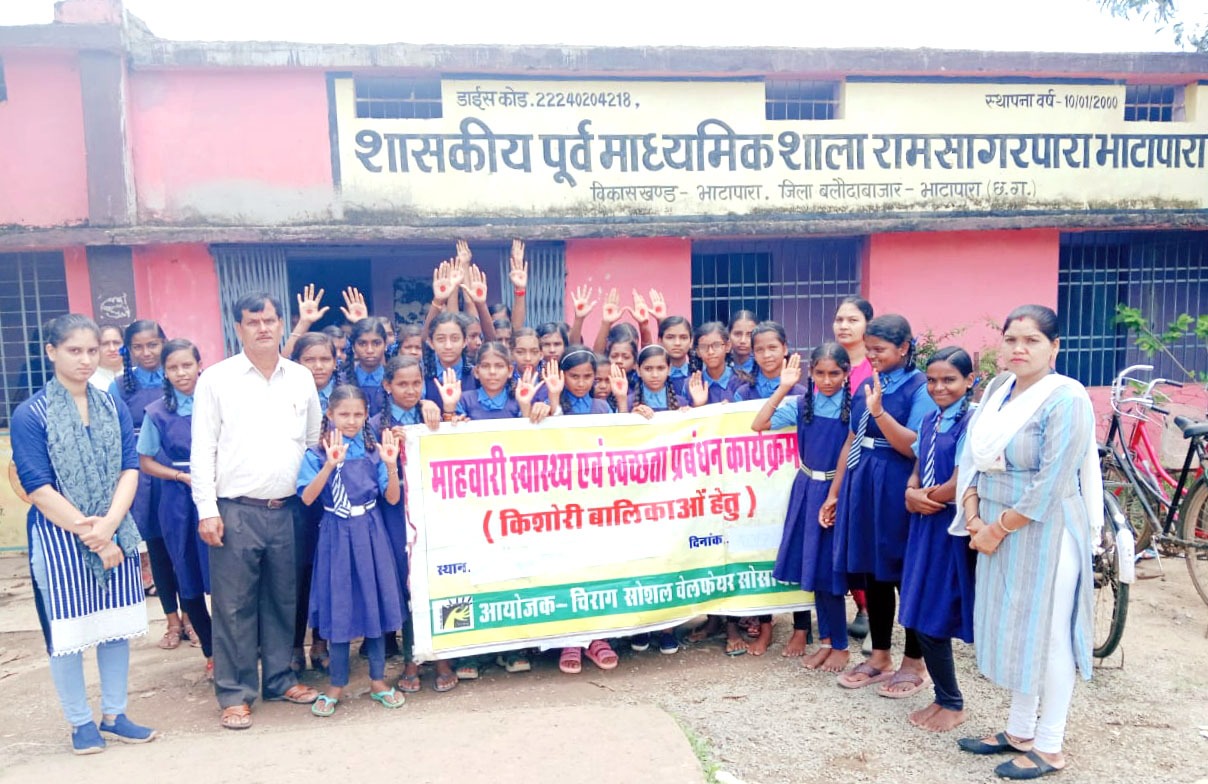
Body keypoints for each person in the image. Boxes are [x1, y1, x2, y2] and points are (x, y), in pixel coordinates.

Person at [953, 305, 1100, 780]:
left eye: (1032, 340)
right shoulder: (1000, 388)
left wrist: (996, 529)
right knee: (1017, 626)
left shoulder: (1066, 399)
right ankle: (1020, 731)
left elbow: (1052, 482)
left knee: (1049, 634)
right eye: (1012, 339)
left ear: (1054, 347)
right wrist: (974, 516)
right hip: (992, 525)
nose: (1019, 348)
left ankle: (1050, 746)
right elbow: (973, 456)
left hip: (1045, 529)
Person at [11, 314, 157, 754]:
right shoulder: (31, 413)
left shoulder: (111, 404)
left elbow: (129, 467)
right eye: (74, 350)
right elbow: (38, 487)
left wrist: (110, 525)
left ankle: (115, 714)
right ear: (51, 352)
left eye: (92, 350)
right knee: (67, 633)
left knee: (114, 626)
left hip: (115, 528)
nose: (86, 359)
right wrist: (95, 533)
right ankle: (80, 724)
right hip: (58, 537)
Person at [191, 292, 322, 730]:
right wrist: (207, 509)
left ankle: (280, 678)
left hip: (287, 509)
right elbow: (202, 448)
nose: (263, 328)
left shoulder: (300, 378)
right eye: (253, 322)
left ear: (282, 324)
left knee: (283, 599)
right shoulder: (217, 379)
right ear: (238, 328)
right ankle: (235, 692)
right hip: (235, 511)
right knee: (234, 606)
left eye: (269, 320)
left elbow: (312, 440)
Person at [828, 314, 936, 695]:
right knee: (873, 571)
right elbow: (852, 439)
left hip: (898, 483)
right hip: (864, 482)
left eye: (880, 349)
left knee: (905, 572)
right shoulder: (868, 383)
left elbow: (914, 445)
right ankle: (880, 656)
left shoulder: (920, 387)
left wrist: (879, 411)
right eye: (868, 349)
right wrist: (836, 492)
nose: (871, 356)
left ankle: (915, 661)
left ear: (904, 348)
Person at [300, 385, 407, 716]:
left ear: (366, 415)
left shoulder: (375, 451)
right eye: (344, 414)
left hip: (370, 530)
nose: (351, 421)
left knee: (373, 602)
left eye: (358, 414)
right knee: (340, 604)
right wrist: (329, 466)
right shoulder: (316, 453)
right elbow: (307, 497)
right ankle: (336, 683)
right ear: (329, 414)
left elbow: (392, 498)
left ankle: (378, 679)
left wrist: (391, 466)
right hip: (336, 533)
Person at [753, 345, 852, 667]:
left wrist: (834, 496)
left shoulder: (854, 407)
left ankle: (841, 645)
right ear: (811, 373)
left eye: (834, 373)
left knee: (831, 571)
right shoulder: (802, 404)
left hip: (837, 492)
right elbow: (759, 423)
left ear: (846, 373)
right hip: (807, 489)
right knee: (815, 567)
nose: (827, 380)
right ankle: (825, 641)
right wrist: (784, 387)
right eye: (820, 373)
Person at [899, 347, 977, 733]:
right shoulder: (931, 419)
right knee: (916, 609)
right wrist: (911, 491)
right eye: (931, 380)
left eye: (949, 380)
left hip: (949, 526)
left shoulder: (972, 422)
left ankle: (953, 702)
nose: (938, 387)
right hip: (923, 525)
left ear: (969, 381)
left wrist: (922, 498)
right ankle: (942, 696)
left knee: (934, 614)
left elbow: (961, 481)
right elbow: (919, 465)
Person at [136, 339, 214, 680]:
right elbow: (146, 462)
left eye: (187, 365)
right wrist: (181, 476)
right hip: (178, 500)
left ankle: (236, 648)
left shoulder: (216, 403)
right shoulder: (157, 412)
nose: (181, 373)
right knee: (187, 573)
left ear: (199, 365)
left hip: (219, 494)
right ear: (165, 373)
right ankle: (211, 652)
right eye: (173, 368)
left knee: (225, 574)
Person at [111, 320, 191, 649]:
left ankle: (192, 616)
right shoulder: (119, 387)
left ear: (164, 343)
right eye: (138, 347)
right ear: (128, 351)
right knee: (158, 549)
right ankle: (171, 620)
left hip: (180, 470)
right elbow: (114, 435)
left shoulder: (179, 376)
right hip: (144, 475)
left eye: (153, 344)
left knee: (185, 547)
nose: (146, 352)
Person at [545, 349, 624, 673]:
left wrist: (623, 403)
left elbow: (620, 443)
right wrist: (553, 398)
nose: (580, 383)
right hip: (560, 503)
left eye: (587, 377)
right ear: (562, 377)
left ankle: (596, 638)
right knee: (566, 568)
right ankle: (570, 639)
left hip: (596, 501)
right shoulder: (548, 405)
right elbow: (549, 441)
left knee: (596, 568)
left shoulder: (601, 406)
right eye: (574, 377)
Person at [370, 355, 441, 692]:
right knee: (407, 582)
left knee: (435, 577)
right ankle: (413, 656)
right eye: (402, 384)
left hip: (432, 509)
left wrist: (441, 419)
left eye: (416, 384)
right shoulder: (374, 425)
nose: (411, 391)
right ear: (387, 386)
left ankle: (442, 655)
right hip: (394, 514)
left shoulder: (430, 416)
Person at [288, 332, 342, 673]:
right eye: (310, 360)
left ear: (336, 362)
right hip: (297, 492)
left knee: (328, 571)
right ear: (297, 363)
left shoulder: (344, 395)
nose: (318, 366)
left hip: (337, 495)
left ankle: (321, 642)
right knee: (299, 571)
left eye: (325, 359)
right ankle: (295, 644)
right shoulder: (287, 394)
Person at [422, 311, 477, 405]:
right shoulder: (423, 376)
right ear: (431, 343)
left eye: (455, 339)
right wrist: (422, 404)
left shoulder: (476, 375)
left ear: (465, 341)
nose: (448, 346)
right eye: (441, 339)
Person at [686, 322, 747, 406]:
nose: (710, 352)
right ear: (698, 351)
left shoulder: (742, 381)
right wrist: (698, 404)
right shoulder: (691, 384)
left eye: (716, 345)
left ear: (727, 346)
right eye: (703, 347)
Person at [346, 318, 389, 417]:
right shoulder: (341, 380)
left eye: (376, 343)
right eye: (362, 344)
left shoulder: (395, 379)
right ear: (353, 347)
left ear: (385, 345)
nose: (370, 350)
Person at [658, 316, 694, 399]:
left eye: (683, 337)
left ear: (691, 342)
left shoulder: (699, 374)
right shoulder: (654, 377)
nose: (677, 343)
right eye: (670, 337)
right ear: (660, 341)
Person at [89, 325, 124, 391]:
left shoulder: (137, 376)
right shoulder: (88, 382)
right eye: (105, 344)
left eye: (116, 343)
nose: (112, 349)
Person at [728, 311, 758, 376]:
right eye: (737, 334)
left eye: (749, 335)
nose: (743, 341)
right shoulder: (719, 369)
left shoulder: (764, 369)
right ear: (729, 335)